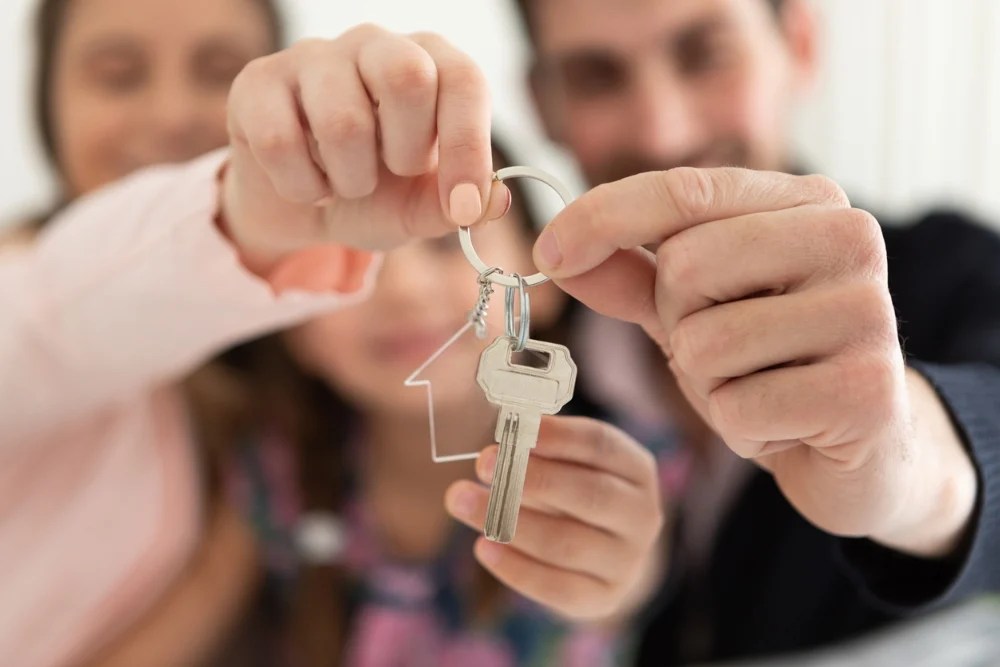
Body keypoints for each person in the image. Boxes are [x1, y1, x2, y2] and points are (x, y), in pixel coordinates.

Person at [1, 5, 662, 667]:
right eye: (118, 74)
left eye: (219, 72)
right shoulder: (276, 469)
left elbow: (631, 573)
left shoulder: (624, 421)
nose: (402, 289)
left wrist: (620, 577)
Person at [505, 0, 1000, 663]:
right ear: (544, 106)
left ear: (797, 44)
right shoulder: (523, 349)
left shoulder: (957, 274)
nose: (663, 133)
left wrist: (911, 462)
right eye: (597, 76)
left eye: (704, 54)